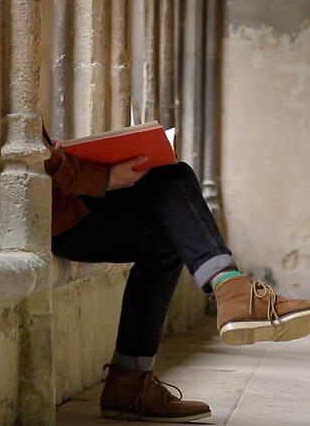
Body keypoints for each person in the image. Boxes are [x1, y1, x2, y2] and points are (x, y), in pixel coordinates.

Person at [43, 126, 310, 423]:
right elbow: (28, 159)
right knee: (173, 180)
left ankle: (129, 384)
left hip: (64, 205)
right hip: (50, 218)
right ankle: (233, 291)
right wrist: (104, 177)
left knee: (171, 196)